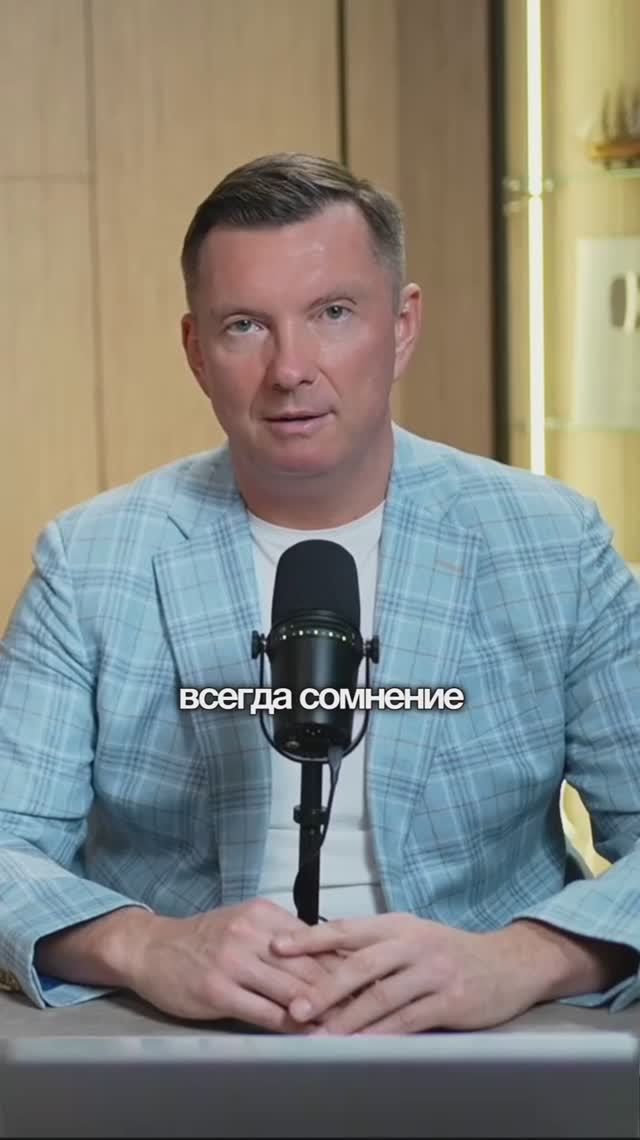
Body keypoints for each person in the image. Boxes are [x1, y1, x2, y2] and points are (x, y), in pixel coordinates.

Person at [0, 152, 639, 1037]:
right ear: (196, 352)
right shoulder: (91, 561)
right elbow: (7, 842)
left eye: (332, 313)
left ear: (402, 327)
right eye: (244, 326)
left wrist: (521, 960)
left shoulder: (553, 544)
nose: (290, 368)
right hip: (168, 1038)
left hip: (490, 1035)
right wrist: (144, 946)